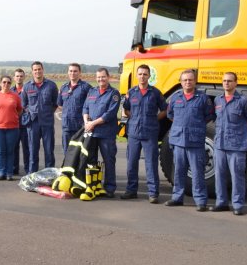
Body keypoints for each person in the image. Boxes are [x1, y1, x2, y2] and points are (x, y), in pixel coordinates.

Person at [164, 69, 215, 210]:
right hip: (179, 141)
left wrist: (194, 127)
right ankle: (177, 198)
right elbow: (170, 114)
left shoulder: (203, 98)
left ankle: (200, 201)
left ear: (195, 81)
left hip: (195, 141)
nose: (188, 82)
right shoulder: (175, 98)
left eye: (190, 79)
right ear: (181, 82)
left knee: (198, 172)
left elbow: (209, 116)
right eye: (185, 80)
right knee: (178, 171)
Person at [210, 72, 247, 216]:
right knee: (219, 175)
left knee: (237, 176)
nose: (226, 83)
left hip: (236, 145)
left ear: (236, 83)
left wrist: (241, 133)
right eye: (224, 81)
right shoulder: (218, 100)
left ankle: (237, 205)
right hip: (220, 144)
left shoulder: (243, 101)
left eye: (230, 81)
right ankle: (221, 203)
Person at [121, 64, 166, 203]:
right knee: (131, 163)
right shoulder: (131, 92)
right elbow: (126, 109)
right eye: (140, 74)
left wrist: (153, 119)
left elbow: (164, 110)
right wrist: (133, 117)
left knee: (151, 164)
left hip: (150, 133)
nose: (142, 76)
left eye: (145, 74)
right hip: (134, 133)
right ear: (137, 75)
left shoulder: (156, 93)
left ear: (149, 76)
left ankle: (153, 193)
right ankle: (131, 190)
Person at [82, 67, 121, 198]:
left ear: (108, 77)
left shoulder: (114, 94)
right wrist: (86, 121)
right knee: (91, 160)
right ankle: (94, 186)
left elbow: (109, 114)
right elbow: (85, 107)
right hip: (92, 133)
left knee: (108, 161)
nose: (100, 79)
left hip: (106, 134)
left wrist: (92, 123)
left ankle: (109, 187)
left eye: (103, 77)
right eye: (98, 77)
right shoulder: (92, 91)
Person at [20, 61, 59, 173]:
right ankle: (32, 176)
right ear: (32, 72)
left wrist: (47, 113)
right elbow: (24, 104)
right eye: (35, 70)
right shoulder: (27, 86)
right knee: (33, 151)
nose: (37, 71)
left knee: (49, 151)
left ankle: (49, 176)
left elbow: (55, 103)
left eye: (39, 69)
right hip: (33, 124)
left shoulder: (51, 85)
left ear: (43, 70)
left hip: (47, 123)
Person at [0, 75, 23, 181]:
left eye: (8, 82)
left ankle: (9, 173)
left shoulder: (15, 96)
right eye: (4, 82)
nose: (6, 84)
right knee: (0, 151)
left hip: (12, 128)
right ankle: (1, 172)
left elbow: (19, 110)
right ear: (0, 83)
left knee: (10, 151)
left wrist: (12, 117)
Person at [57, 63, 92, 156]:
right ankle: (68, 170)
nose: (73, 73)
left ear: (80, 72)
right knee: (67, 151)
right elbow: (60, 104)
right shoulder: (63, 87)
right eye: (71, 71)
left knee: (80, 152)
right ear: (68, 72)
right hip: (66, 126)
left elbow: (91, 105)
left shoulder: (86, 87)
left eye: (75, 71)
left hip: (80, 126)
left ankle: (79, 171)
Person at [11, 68, 30, 176]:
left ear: (24, 77)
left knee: (27, 148)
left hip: (26, 123)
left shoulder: (27, 89)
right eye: (17, 76)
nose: (19, 78)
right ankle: (14, 168)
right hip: (14, 123)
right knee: (14, 147)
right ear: (14, 78)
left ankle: (28, 169)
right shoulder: (11, 91)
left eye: (21, 76)